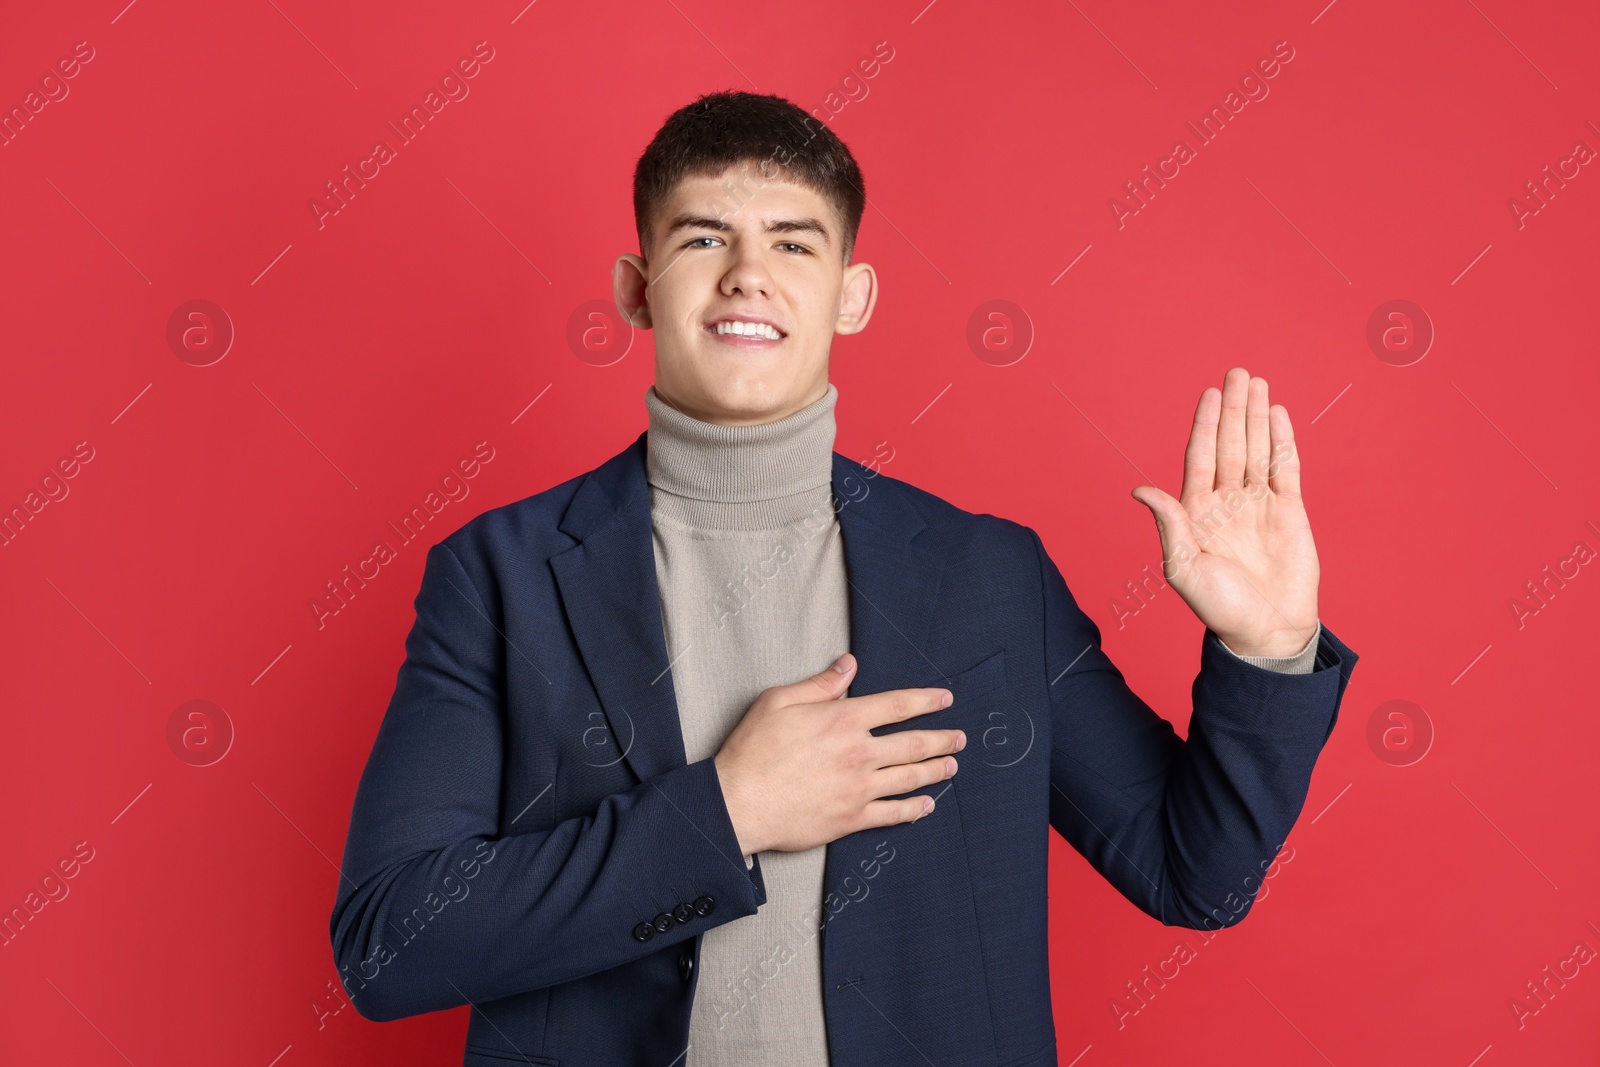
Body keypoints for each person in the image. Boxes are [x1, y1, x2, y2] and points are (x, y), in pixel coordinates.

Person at [330, 90, 1359, 1067]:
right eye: (702, 238)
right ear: (635, 288)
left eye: (792, 241)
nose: (746, 273)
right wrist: (726, 810)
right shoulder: (497, 576)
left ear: (852, 295)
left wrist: (1266, 651)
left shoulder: (987, 574)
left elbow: (1195, 873)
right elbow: (388, 941)